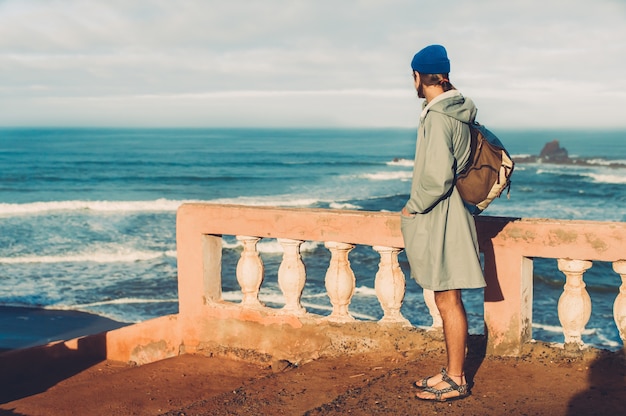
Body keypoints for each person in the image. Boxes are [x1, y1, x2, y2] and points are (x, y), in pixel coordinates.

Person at [400, 44, 486, 402]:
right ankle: (452, 371)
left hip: (443, 219)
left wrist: (412, 207)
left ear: (420, 76)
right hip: (454, 215)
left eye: (413, 76)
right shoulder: (455, 112)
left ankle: (456, 379)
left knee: (448, 299)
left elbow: (436, 178)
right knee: (446, 296)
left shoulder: (438, 117)